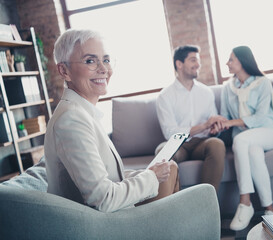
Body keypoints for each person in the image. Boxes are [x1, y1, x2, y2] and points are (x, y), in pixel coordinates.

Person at [45, 29, 179, 213]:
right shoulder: (71, 119)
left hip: (106, 216)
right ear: (64, 71)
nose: (103, 69)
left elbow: (107, 178)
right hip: (98, 226)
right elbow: (103, 199)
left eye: (106, 60)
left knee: (169, 168)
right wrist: (151, 177)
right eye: (90, 61)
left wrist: (148, 174)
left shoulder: (82, 113)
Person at [219, 46, 273, 231]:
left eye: (231, 59)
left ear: (242, 61)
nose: (227, 63)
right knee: (254, 153)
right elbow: (225, 116)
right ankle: (270, 209)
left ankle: (245, 201)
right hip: (246, 139)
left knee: (241, 141)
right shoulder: (227, 88)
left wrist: (231, 123)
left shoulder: (263, 83)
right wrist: (220, 122)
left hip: (268, 131)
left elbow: (261, 118)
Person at [156, 45, 226, 192]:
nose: (198, 64)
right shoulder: (165, 96)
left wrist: (214, 128)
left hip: (202, 142)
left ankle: (206, 204)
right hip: (179, 145)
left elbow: (212, 123)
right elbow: (170, 133)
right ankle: (178, 205)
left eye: (198, 60)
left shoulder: (206, 92)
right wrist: (204, 125)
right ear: (179, 64)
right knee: (163, 150)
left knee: (217, 143)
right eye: (193, 60)